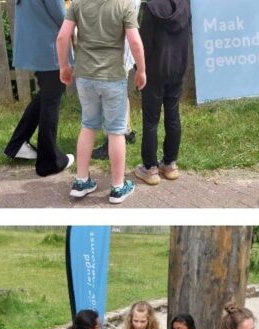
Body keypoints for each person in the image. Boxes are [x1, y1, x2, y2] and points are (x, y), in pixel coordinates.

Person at [57, 0, 146, 204]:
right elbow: (135, 42)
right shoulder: (124, 5)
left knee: (88, 126)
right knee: (116, 131)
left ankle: (81, 181)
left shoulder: (78, 4)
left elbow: (62, 37)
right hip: (112, 77)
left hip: (85, 77)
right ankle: (117, 187)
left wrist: (64, 66)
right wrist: (141, 71)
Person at [2, 0, 74, 177]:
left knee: (46, 95)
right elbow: (62, 16)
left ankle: (17, 144)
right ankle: (49, 162)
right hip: (49, 47)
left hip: (36, 45)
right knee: (51, 100)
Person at [133, 0, 191, 186]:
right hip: (176, 68)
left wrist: (139, 68)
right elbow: (186, 36)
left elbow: (145, 41)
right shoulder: (184, 4)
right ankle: (170, 164)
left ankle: (150, 169)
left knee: (151, 120)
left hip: (154, 71)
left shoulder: (152, 7)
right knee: (173, 116)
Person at [90, 0, 141, 161]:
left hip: (117, 45)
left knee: (112, 94)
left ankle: (110, 142)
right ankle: (127, 131)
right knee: (119, 90)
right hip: (120, 42)